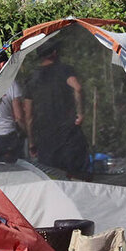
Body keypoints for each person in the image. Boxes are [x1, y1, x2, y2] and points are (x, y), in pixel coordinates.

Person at [23, 43, 89, 178]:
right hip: (68, 131)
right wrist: (80, 114)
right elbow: (77, 88)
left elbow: (28, 115)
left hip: (45, 135)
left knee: (51, 175)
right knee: (76, 173)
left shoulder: (32, 78)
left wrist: (31, 142)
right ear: (54, 53)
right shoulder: (65, 70)